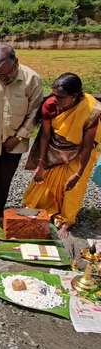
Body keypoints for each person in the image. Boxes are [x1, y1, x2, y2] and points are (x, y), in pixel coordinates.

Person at [24, 73, 101, 236]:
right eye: (54, 94)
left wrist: (78, 174)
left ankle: (66, 220)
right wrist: (41, 164)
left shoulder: (91, 110)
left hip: (80, 153)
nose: (55, 99)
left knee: (73, 188)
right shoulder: (50, 104)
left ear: (74, 97)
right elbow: (45, 135)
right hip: (55, 149)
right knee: (42, 185)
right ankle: (47, 210)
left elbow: (87, 147)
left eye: (61, 97)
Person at [0, 44, 43, 223]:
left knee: (4, 179)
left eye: (4, 74)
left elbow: (34, 113)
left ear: (16, 63)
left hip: (15, 142)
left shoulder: (32, 79)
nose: (0, 78)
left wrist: (19, 136)